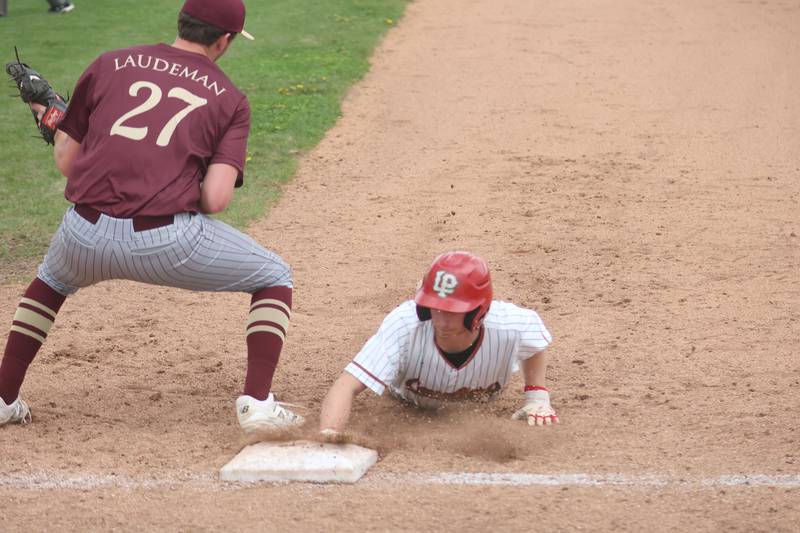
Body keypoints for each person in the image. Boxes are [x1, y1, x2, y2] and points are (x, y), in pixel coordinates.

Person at [0, 0, 304, 434]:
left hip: (81, 235)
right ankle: (256, 402)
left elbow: (68, 161)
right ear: (225, 40)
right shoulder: (230, 99)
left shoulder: (109, 63)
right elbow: (216, 198)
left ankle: (3, 398)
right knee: (275, 275)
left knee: (50, 281)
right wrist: (170, 180)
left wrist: (58, 121)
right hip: (167, 244)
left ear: (180, 22)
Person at [319, 251, 559, 437]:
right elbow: (345, 385)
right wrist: (330, 435)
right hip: (407, 403)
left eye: (453, 311)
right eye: (435, 308)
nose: (442, 321)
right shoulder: (404, 325)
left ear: (478, 310)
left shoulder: (513, 325)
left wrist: (536, 395)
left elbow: (536, 343)